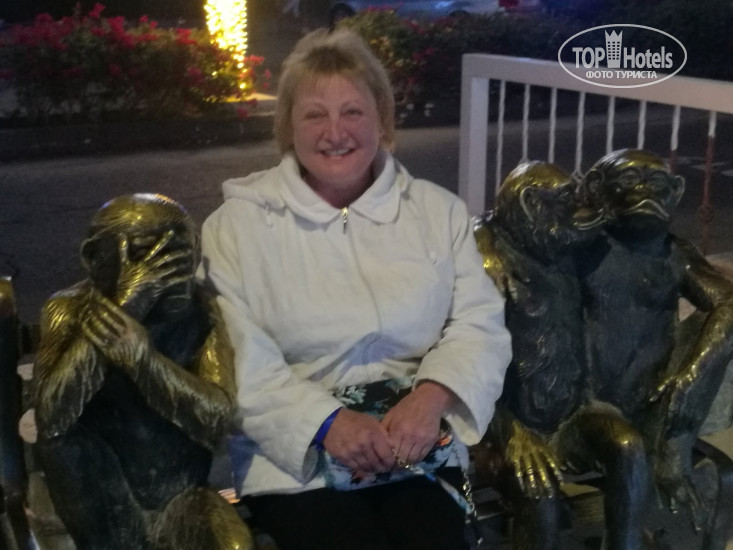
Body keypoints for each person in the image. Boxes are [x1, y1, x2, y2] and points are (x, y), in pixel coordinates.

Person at [198, 28, 512, 550]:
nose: (334, 132)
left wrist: (430, 398)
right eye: (314, 114)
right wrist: (327, 423)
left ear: (382, 120)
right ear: (288, 126)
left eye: (352, 112)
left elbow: (478, 323)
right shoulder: (237, 228)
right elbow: (240, 360)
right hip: (297, 459)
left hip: (415, 443)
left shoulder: (436, 212)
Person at [34, 194, 254, 550]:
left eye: (178, 254)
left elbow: (215, 420)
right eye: (144, 253)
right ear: (95, 258)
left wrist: (144, 361)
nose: (164, 271)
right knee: (64, 444)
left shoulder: (201, 311)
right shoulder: (68, 310)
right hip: (105, 504)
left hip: (183, 497)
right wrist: (126, 308)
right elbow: (52, 419)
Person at [475, 162, 650, 550]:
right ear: (532, 204)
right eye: (568, 200)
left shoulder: (565, 247)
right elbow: (467, 364)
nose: (580, 208)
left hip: (571, 417)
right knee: (541, 495)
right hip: (504, 429)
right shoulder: (490, 264)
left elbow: (634, 231)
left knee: (628, 447)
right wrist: (511, 432)